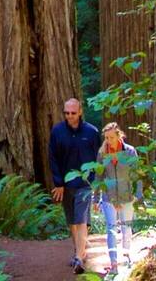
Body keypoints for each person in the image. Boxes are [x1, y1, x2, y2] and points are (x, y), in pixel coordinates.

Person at [48, 98, 101, 274]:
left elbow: (97, 159)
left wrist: (95, 181)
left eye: (73, 113)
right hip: (66, 183)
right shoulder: (57, 131)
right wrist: (58, 183)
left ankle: (79, 257)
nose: (69, 116)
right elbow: (53, 158)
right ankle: (79, 250)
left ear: (80, 112)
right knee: (72, 221)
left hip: (85, 184)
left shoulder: (92, 132)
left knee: (81, 220)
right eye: (66, 113)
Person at [95, 123, 142, 274]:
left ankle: (127, 255)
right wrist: (96, 199)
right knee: (111, 228)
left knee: (127, 227)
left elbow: (136, 174)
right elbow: (99, 176)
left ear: (119, 135)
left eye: (111, 137)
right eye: (106, 138)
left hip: (127, 196)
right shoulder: (102, 153)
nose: (109, 140)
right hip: (109, 197)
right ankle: (114, 262)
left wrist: (139, 194)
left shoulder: (130, 151)